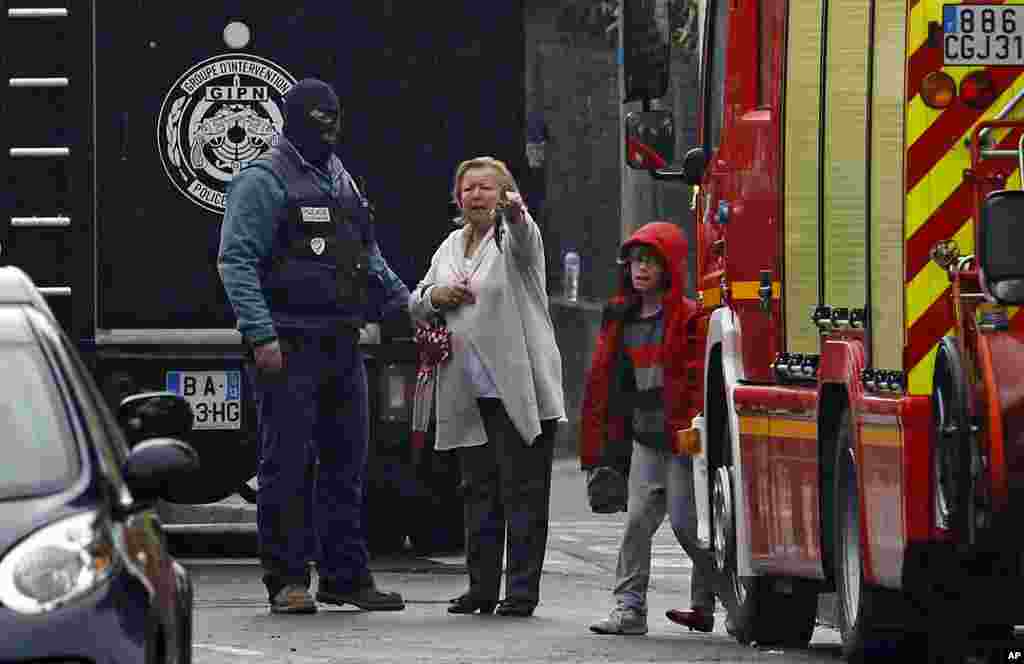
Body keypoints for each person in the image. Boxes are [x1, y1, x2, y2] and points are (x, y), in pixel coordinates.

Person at [217, 78, 410, 615]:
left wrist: (405, 302)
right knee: (286, 465)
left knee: (346, 463)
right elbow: (237, 261)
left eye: (334, 116)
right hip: (288, 341)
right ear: (292, 118)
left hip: (341, 340)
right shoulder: (263, 179)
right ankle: (286, 581)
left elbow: (365, 254)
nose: (328, 126)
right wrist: (260, 334)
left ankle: (346, 576)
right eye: (317, 117)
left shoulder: (339, 177)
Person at [409, 156, 565, 617]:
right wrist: (436, 297)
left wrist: (516, 214)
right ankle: (480, 589)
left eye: (487, 188)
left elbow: (524, 237)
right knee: (477, 494)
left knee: (523, 494)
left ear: (504, 195)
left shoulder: (515, 240)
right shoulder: (450, 246)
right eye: (469, 188)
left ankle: (519, 593)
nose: (477, 195)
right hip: (467, 394)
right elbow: (418, 299)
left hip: (519, 391)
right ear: (458, 198)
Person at [580, 221, 718, 635]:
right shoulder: (620, 316)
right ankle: (629, 608)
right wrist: (602, 445)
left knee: (686, 524)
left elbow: (697, 382)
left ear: (669, 268)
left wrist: (693, 435)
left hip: (682, 437)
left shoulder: (691, 315)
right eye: (636, 262)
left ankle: (724, 600)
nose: (641, 269)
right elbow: (605, 382)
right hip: (644, 436)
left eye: (651, 262)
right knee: (638, 519)